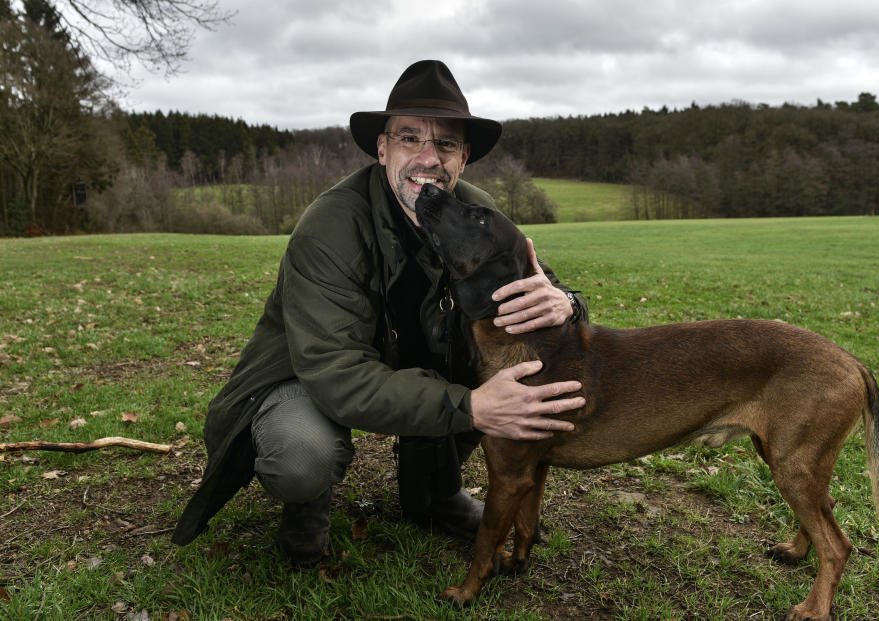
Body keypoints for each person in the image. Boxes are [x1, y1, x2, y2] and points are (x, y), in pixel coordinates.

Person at [171, 60, 589, 565]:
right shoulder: (330, 225)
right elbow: (335, 373)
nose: (428, 159)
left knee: (491, 367)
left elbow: (544, 287)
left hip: (406, 361)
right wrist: (469, 406)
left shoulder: (473, 211)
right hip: (308, 375)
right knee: (303, 453)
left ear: (464, 157)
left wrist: (565, 302)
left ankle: (433, 496)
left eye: (446, 144)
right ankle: (306, 512)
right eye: (410, 138)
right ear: (382, 147)